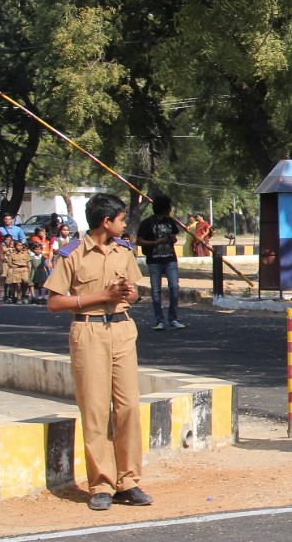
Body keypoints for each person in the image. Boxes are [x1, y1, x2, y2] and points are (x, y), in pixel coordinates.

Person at [44, 193, 151, 511]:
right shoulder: (72, 253)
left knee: (128, 406)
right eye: (120, 219)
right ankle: (102, 484)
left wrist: (127, 294)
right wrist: (98, 296)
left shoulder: (124, 250)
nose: (124, 224)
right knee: (94, 409)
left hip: (122, 330)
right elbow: (54, 302)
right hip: (88, 331)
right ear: (106, 222)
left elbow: (133, 296)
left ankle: (128, 482)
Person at [136, 195, 186, 330]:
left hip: (170, 259)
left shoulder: (170, 221)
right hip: (154, 261)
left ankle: (173, 318)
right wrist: (155, 242)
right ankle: (160, 320)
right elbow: (138, 241)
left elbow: (174, 236)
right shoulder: (147, 223)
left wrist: (172, 240)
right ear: (163, 207)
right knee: (155, 290)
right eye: (168, 206)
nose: (170, 208)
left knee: (174, 287)